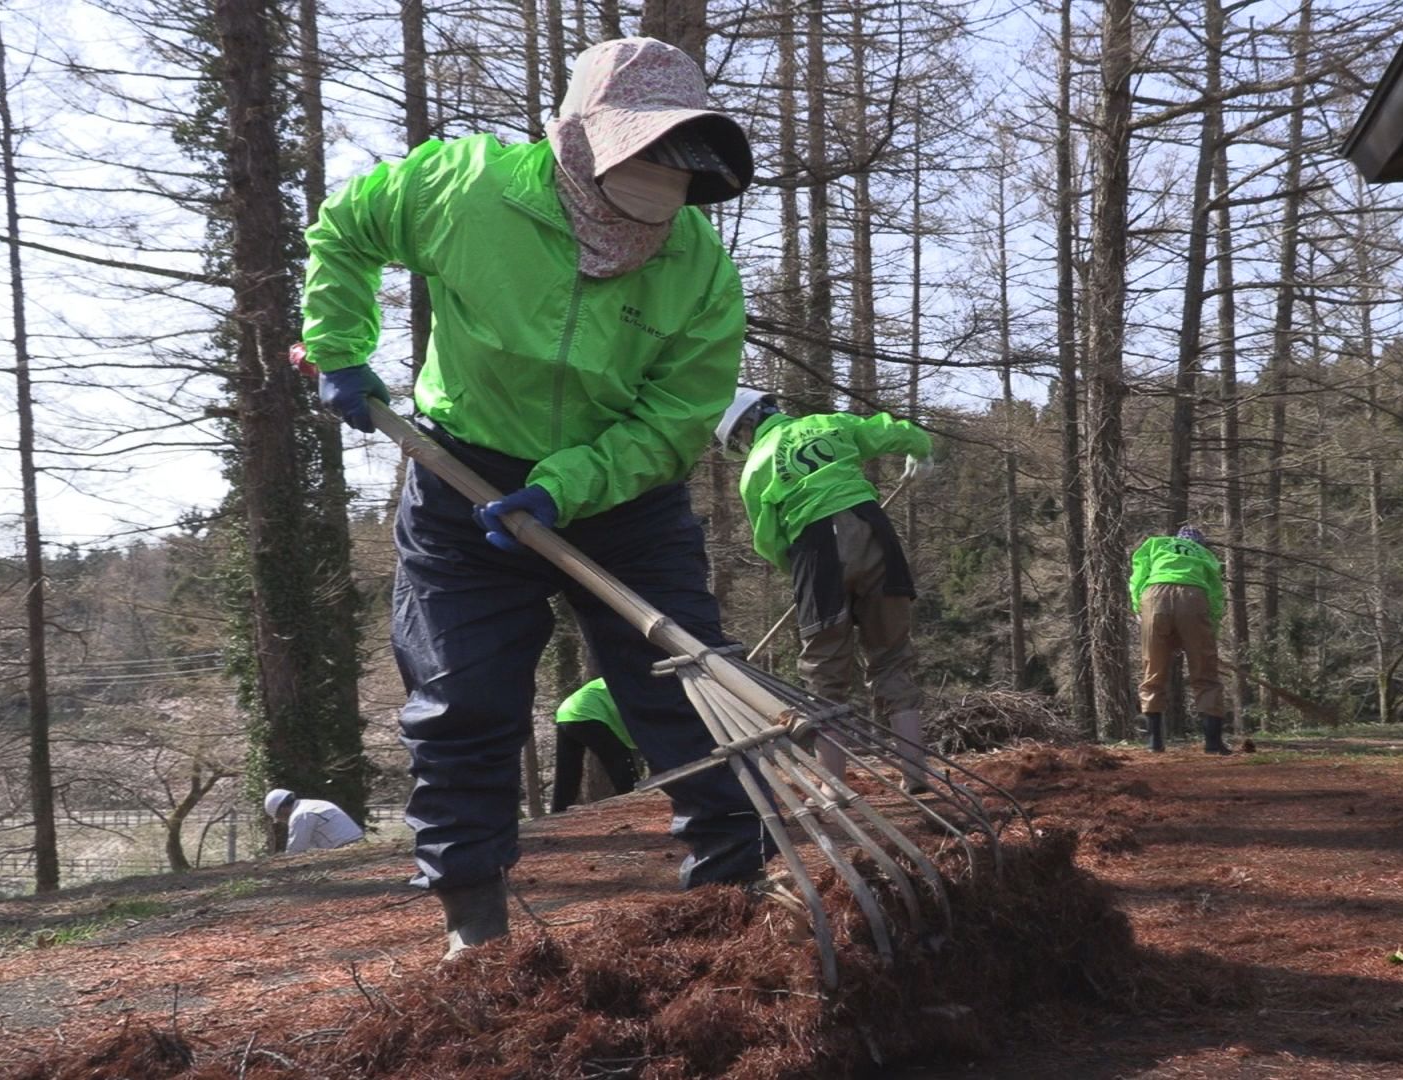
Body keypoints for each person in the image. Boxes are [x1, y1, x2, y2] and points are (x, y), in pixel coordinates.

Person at [299, 37, 771, 960]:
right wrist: (341, 343)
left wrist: (566, 486)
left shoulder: (700, 271)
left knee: (689, 689)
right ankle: (474, 926)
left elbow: (676, 416)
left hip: (620, 497)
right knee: (462, 699)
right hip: (457, 473)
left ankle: (732, 906)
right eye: (637, 165)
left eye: (676, 182)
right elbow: (347, 227)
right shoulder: (467, 190)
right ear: (582, 144)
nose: (650, 215)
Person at [718, 389, 935, 792]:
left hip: (816, 555)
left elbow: (768, 541)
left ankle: (832, 787)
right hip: (875, 536)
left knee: (824, 675)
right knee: (892, 658)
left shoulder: (755, 469)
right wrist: (919, 453)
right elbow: (895, 431)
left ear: (745, 430)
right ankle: (916, 774)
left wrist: (801, 575)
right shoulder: (829, 424)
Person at [1129, 526, 1231, 755]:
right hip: (1193, 597)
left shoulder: (1156, 544)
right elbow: (1215, 595)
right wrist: (1209, 631)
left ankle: (1154, 742)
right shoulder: (1205, 555)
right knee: (1205, 673)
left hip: (1154, 594)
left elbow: (1138, 573)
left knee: (1152, 669)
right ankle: (1213, 742)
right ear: (1199, 543)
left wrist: (1138, 606)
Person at [551, 678, 645, 812]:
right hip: (588, 713)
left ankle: (558, 809)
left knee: (568, 768)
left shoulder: (614, 679)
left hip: (565, 713)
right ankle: (633, 800)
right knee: (619, 759)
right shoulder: (635, 685)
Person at [264, 789, 365, 854]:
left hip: (346, 849)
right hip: (358, 844)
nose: (282, 821)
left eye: (278, 817)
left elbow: (295, 850)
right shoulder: (310, 805)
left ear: (282, 811)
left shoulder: (301, 815)